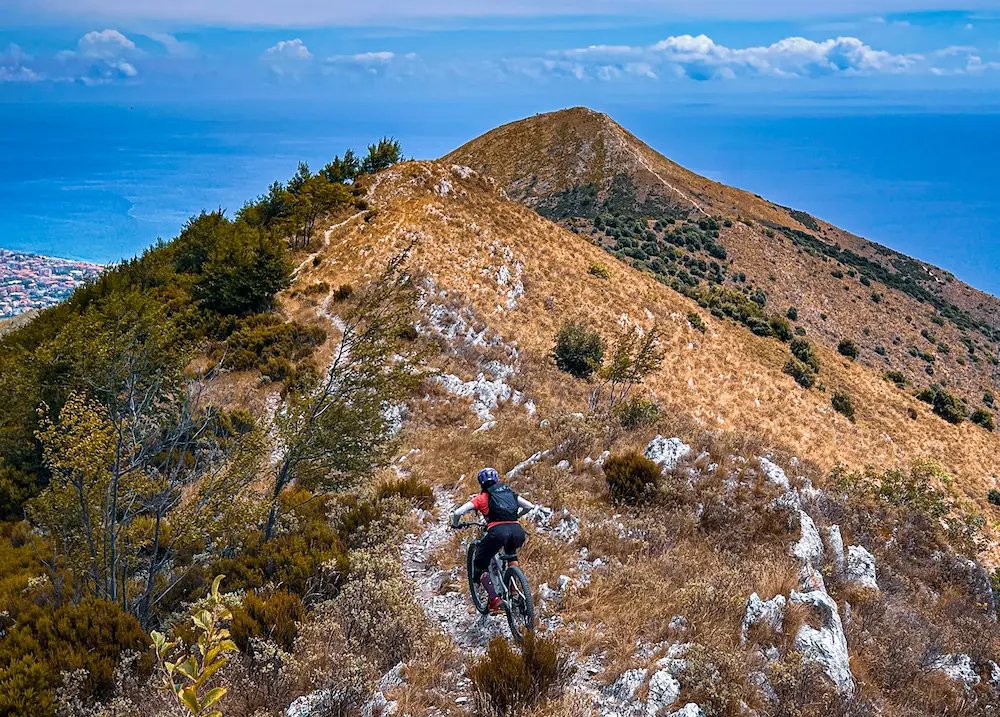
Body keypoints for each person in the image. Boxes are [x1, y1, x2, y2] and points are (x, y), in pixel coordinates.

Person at [450, 467, 540, 613]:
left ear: (481, 484)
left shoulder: (482, 498)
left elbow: (458, 512)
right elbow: (529, 506)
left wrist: (455, 524)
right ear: (497, 480)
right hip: (517, 531)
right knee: (511, 553)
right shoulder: (509, 493)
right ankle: (513, 591)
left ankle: (494, 600)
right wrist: (516, 516)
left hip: (497, 532)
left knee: (480, 562)